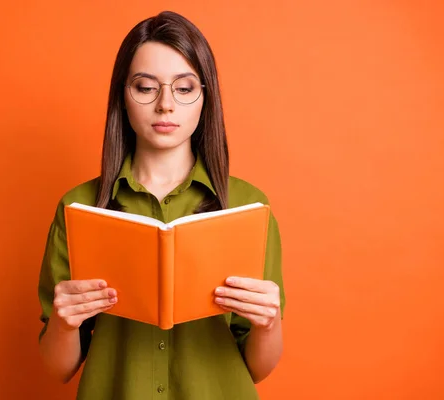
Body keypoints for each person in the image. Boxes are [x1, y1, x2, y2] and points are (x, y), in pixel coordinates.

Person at [38, 10, 285, 400]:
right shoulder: (79, 207)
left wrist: (268, 325)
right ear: (123, 93)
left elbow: (258, 369)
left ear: (206, 96)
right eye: (145, 87)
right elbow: (59, 368)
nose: (165, 105)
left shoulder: (248, 207)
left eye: (184, 88)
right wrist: (65, 325)